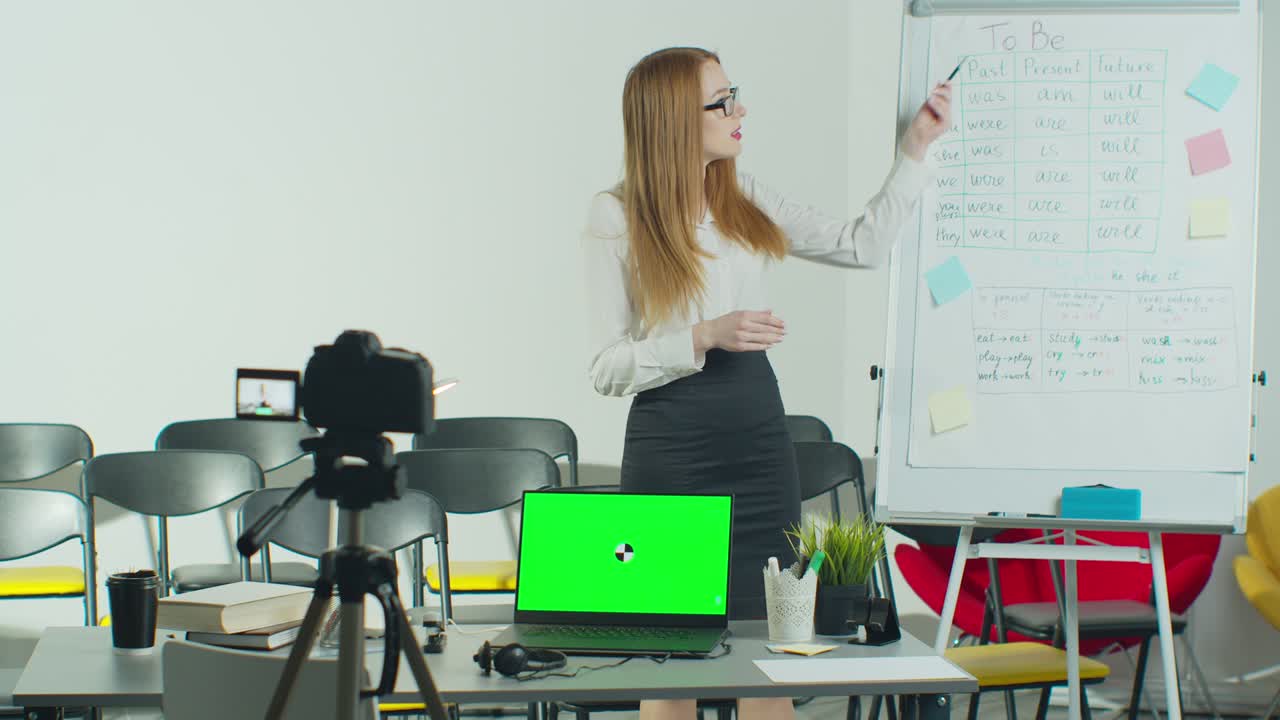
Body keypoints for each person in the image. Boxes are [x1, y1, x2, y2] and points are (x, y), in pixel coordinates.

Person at [583, 46, 951, 720]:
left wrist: (914, 151)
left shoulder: (745, 197)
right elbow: (607, 368)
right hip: (672, 448)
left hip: (756, 442)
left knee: (769, 656)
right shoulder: (617, 216)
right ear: (670, 118)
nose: (739, 110)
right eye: (721, 101)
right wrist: (701, 335)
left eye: (735, 94)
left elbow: (861, 244)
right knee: (671, 668)